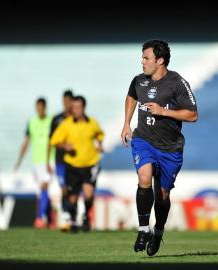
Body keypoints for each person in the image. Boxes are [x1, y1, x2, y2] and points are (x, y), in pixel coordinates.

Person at [121, 39, 198, 256]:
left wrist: (164, 112)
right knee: (144, 178)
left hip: (170, 149)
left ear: (160, 60)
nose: (142, 62)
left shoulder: (177, 83)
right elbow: (131, 96)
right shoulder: (139, 81)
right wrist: (127, 123)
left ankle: (158, 231)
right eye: (142, 57)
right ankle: (143, 229)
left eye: (146, 58)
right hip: (144, 140)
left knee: (163, 195)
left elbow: (193, 115)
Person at [50, 95, 104, 233]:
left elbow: (99, 135)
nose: (75, 110)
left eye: (78, 107)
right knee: (72, 198)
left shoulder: (92, 123)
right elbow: (54, 141)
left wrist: (99, 145)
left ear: (84, 107)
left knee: (88, 194)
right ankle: (73, 219)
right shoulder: (66, 124)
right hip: (72, 165)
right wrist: (64, 146)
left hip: (90, 164)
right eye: (73, 107)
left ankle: (86, 217)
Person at [15, 97, 53, 229]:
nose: (40, 110)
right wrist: (19, 160)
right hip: (37, 161)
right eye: (38, 108)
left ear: (45, 108)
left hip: (49, 160)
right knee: (42, 191)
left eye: (42, 108)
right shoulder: (31, 122)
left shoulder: (51, 121)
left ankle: (40, 218)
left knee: (44, 186)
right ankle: (50, 220)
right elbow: (26, 142)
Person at [48, 89, 74, 231]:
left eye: (69, 101)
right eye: (64, 101)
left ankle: (71, 216)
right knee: (63, 189)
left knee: (72, 190)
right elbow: (50, 141)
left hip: (74, 161)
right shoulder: (56, 119)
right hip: (59, 161)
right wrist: (47, 161)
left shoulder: (77, 120)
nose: (66, 104)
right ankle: (66, 218)